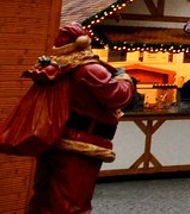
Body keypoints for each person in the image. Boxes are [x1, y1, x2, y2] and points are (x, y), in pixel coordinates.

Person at [22, 23, 134, 214]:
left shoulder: (57, 67)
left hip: (55, 139)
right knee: (72, 202)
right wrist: (125, 80)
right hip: (81, 144)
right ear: (84, 43)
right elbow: (117, 96)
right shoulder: (89, 70)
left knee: (45, 197)